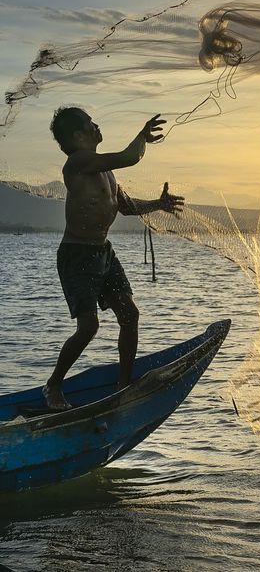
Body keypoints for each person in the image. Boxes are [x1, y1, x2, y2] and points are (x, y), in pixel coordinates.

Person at [42, 106, 184, 411]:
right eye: (91, 123)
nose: (97, 126)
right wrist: (143, 136)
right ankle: (53, 385)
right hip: (77, 255)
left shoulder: (105, 170)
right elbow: (130, 156)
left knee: (129, 315)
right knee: (89, 327)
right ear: (78, 135)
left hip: (103, 252)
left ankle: (123, 385)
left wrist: (158, 204)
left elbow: (127, 207)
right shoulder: (78, 163)